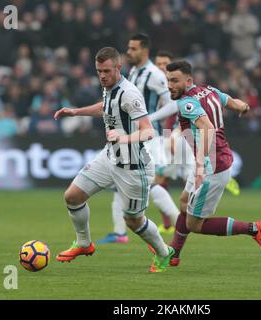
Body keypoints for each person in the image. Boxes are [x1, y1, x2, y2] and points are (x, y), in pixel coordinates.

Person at [54, 47, 174, 273]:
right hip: (109, 157)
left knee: (133, 221)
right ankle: (83, 243)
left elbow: (148, 132)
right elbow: (106, 108)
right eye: (99, 71)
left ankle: (164, 252)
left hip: (133, 166)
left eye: (107, 71)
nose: (102, 75)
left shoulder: (130, 94)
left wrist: (124, 137)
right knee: (72, 196)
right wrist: (76, 112)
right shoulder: (109, 88)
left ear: (118, 68)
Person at [163, 60, 261, 267]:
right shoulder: (208, 90)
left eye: (175, 81)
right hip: (212, 161)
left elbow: (208, 129)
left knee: (194, 224)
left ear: (188, 81)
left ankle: (254, 228)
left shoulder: (188, 102)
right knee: (184, 201)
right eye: (168, 80)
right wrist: (242, 105)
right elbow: (229, 100)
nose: (170, 85)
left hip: (211, 167)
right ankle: (173, 253)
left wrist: (201, 166)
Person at [96, 34, 180, 244]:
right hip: (129, 138)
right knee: (121, 181)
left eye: (133, 49)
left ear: (144, 50)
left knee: (151, 183)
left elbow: (173, 103)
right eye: (128, 48)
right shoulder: (133, 72)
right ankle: (119, 233)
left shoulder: (154, 74)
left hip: (147, 139)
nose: (129, 52)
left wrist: (148, 119)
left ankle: (179, 222)